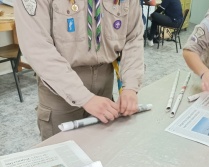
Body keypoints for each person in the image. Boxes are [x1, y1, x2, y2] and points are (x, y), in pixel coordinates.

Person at [14, 0, 144, 140]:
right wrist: (85, 98)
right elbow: (37, 48)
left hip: (105, 87)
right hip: (60, 92)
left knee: (102, 151)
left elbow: (133, 37)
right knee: (64, 154)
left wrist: (130, 86)